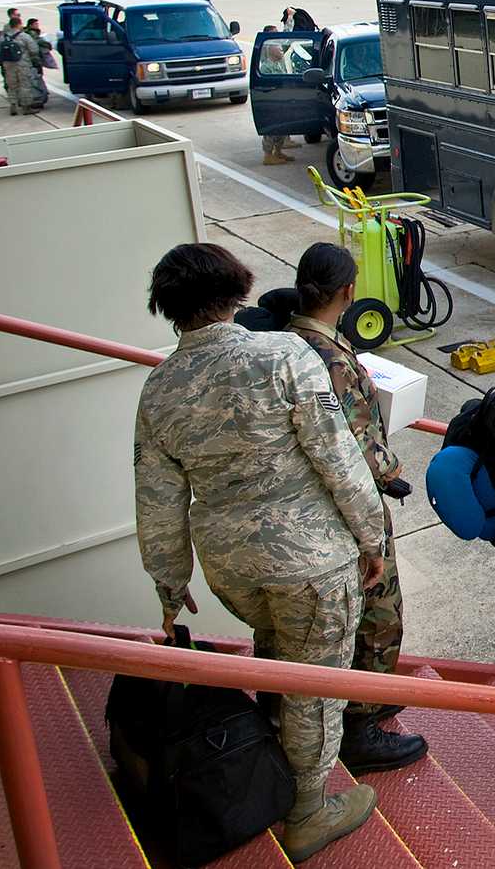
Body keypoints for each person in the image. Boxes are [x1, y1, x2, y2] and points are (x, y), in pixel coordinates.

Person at [133, 243, 395, 861]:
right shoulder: (282, 356)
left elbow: (157, 499)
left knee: (276, 651)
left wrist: (170, 585)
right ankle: (308, 809)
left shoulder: (159, 387)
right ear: (238, 289)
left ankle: (276, 767)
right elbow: (339, 458)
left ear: (168, 308)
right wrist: (372, 537)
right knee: (315, 682)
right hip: (309, 559)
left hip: (230, 564)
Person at [284, 243, 428, 775]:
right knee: (377, 609)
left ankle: (360, 698)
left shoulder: (289, 341)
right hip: (352, 506)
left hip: (314, 506)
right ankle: (360, 723)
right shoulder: (327, 357)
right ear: (347, 293)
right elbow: (352, 435)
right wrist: (390, 474)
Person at [1, 16, 41, 116]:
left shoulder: (4, 37)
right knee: (25, 85)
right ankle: (26, 107)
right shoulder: (24, 36)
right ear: (19, 24)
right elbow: (34, 50)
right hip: (22, 64)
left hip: (8, 64)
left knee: (12, 86)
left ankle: (13, 105)